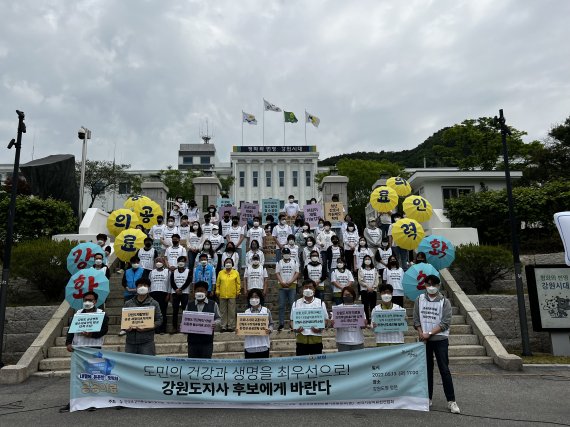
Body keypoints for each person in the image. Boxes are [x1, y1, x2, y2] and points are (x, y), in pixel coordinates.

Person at [413, 275, 460, 414]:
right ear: (425, 285)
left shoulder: (445, 302)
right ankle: (427, 398)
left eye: (434, 284)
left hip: (440, 340)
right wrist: (421, 333)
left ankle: (451, 401)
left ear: (439, 286)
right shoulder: (419, 299)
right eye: (428, 284)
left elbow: (445, 323)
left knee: (444, 370)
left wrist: (429, 333)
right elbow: (416, 319)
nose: (431, 287)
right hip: (424, 340)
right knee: (427, 370)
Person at [61, 291, 109, 412]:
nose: (87, 302)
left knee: (93, 375)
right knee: (78, 376)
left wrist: (91, 334)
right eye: (85, 300)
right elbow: (71, 330)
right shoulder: (78, 313)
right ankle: (75, 400)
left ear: (95, 301)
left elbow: (104, 330)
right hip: (79, 348)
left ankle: (93, 401)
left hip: (94, 347)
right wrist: (68, 342)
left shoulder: (102, 314)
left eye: (90, 300)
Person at [124, 277, 163, 355]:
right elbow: (123, 320)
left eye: (145, 285)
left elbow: (159, 320)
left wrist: (147, 327)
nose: (142, 287)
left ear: (148, 288)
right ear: (136, 287)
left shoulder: (154, 303)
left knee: (148, 365)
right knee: (130, 365)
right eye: (140, 285)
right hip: (130, 341)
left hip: (147, 341)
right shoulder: (128, 303)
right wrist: (125, 328)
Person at [291, 279, 329, 356]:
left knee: (316, 365)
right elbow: (292, 320)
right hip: (301, 340)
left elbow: (326, 320)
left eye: (310, 287)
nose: (308, 289)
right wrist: (295, 329)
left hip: (316, 340)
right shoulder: (296, 303)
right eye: (306, 287)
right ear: (302, 289)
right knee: (302, 365)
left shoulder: (320, 303)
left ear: (314, 289)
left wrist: (320, 328)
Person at [186, 281, 221, 358]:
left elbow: (219, 318)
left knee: (206, 364)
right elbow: (185, 320)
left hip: (207, 341)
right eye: (198, 290)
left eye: (202, 291)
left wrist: (214, 323)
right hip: (192, 342)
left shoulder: (213, 304)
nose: (200, 292)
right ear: (194, 292)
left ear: (206, 292)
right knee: (193, 365)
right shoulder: (189, 305)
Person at [238, 288, 274, 359]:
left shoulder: (266, 311)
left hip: (263, 345)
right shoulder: (246, 312)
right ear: (249, 299)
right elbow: (242, 326)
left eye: (256, 297)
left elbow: (271, 324)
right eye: (252, 297)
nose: (254, 299)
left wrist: (269, 330)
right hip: (250, 347)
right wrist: (239, 330)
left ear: (260, 298)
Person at [331, 286, 365, 351]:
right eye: (345, 295)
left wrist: (364, 323)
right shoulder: (337, 308)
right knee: (343, 361)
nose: (347, 296)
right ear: (342, 296)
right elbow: (334, 325)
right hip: (342, 341)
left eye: (349, 295)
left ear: (353, 296)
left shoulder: (359, 308)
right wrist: (333, 323)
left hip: (357, 340)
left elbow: (362, 326)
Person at [275, 247, 299, 331]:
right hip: (281, 286)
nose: (286, 255)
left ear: (290, 254)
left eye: (287, 253)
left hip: (292, 286)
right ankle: (281, 324)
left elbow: (297, 273)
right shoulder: (279, 262)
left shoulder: (294, 262)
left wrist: (291, 281)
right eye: (284, 254)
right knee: (281, 305)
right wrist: (281, 282)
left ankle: (293, 324)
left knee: (292, 305)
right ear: (282, 254)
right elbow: (277, 273)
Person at [216, 258, 241, 332]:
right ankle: (223, 326)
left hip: (232, 294)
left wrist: (238, 292)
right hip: (222, 294)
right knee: (222, 311)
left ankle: (231, 326)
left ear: (232, 264)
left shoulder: (235, 272)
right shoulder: (220, 273)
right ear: (224, 263)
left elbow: (238, 283)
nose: (228, 263)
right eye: (226, 262)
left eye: (230, 262)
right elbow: (218, 283)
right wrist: (217, 291)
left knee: (231, 311)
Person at [170, 255, 192, 333]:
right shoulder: (173, 272)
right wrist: (176, 289)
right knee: (175, 311)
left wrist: (181, 289)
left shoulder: (188, 271)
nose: (181, 263)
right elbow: (172, 282)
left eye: (183, 261)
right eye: (180, 261)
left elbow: (188, 281)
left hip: (184, 292)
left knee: (185, 310)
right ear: (177, 262)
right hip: (175, 292)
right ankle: (174, 328)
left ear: (185, 263)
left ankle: (185, 327)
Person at [149, 257, 170, 334]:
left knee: (163, 312)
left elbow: (169, 284)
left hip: (163, 293)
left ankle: (163, 329)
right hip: (153, 293)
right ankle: (155, 329)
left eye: (160, 261)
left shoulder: (167, 271)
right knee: (154, 312)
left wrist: (168, 294)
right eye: (157, 261)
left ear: (163, 262)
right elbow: (149, 284)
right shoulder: (152, 272)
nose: (158, 262)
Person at [358, 254, 379, 325]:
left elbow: (377, 280)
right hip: (364, 290)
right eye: (366, 259)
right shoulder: (361, 269)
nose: (367, 260)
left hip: (373, 290)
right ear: (363, 261)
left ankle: (373, 321)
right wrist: (367, 286)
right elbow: (360, 280)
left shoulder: (374, 269)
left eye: (368, 259)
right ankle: (366, 321)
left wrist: (373, 287)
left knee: (373, 307)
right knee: (365, 307)